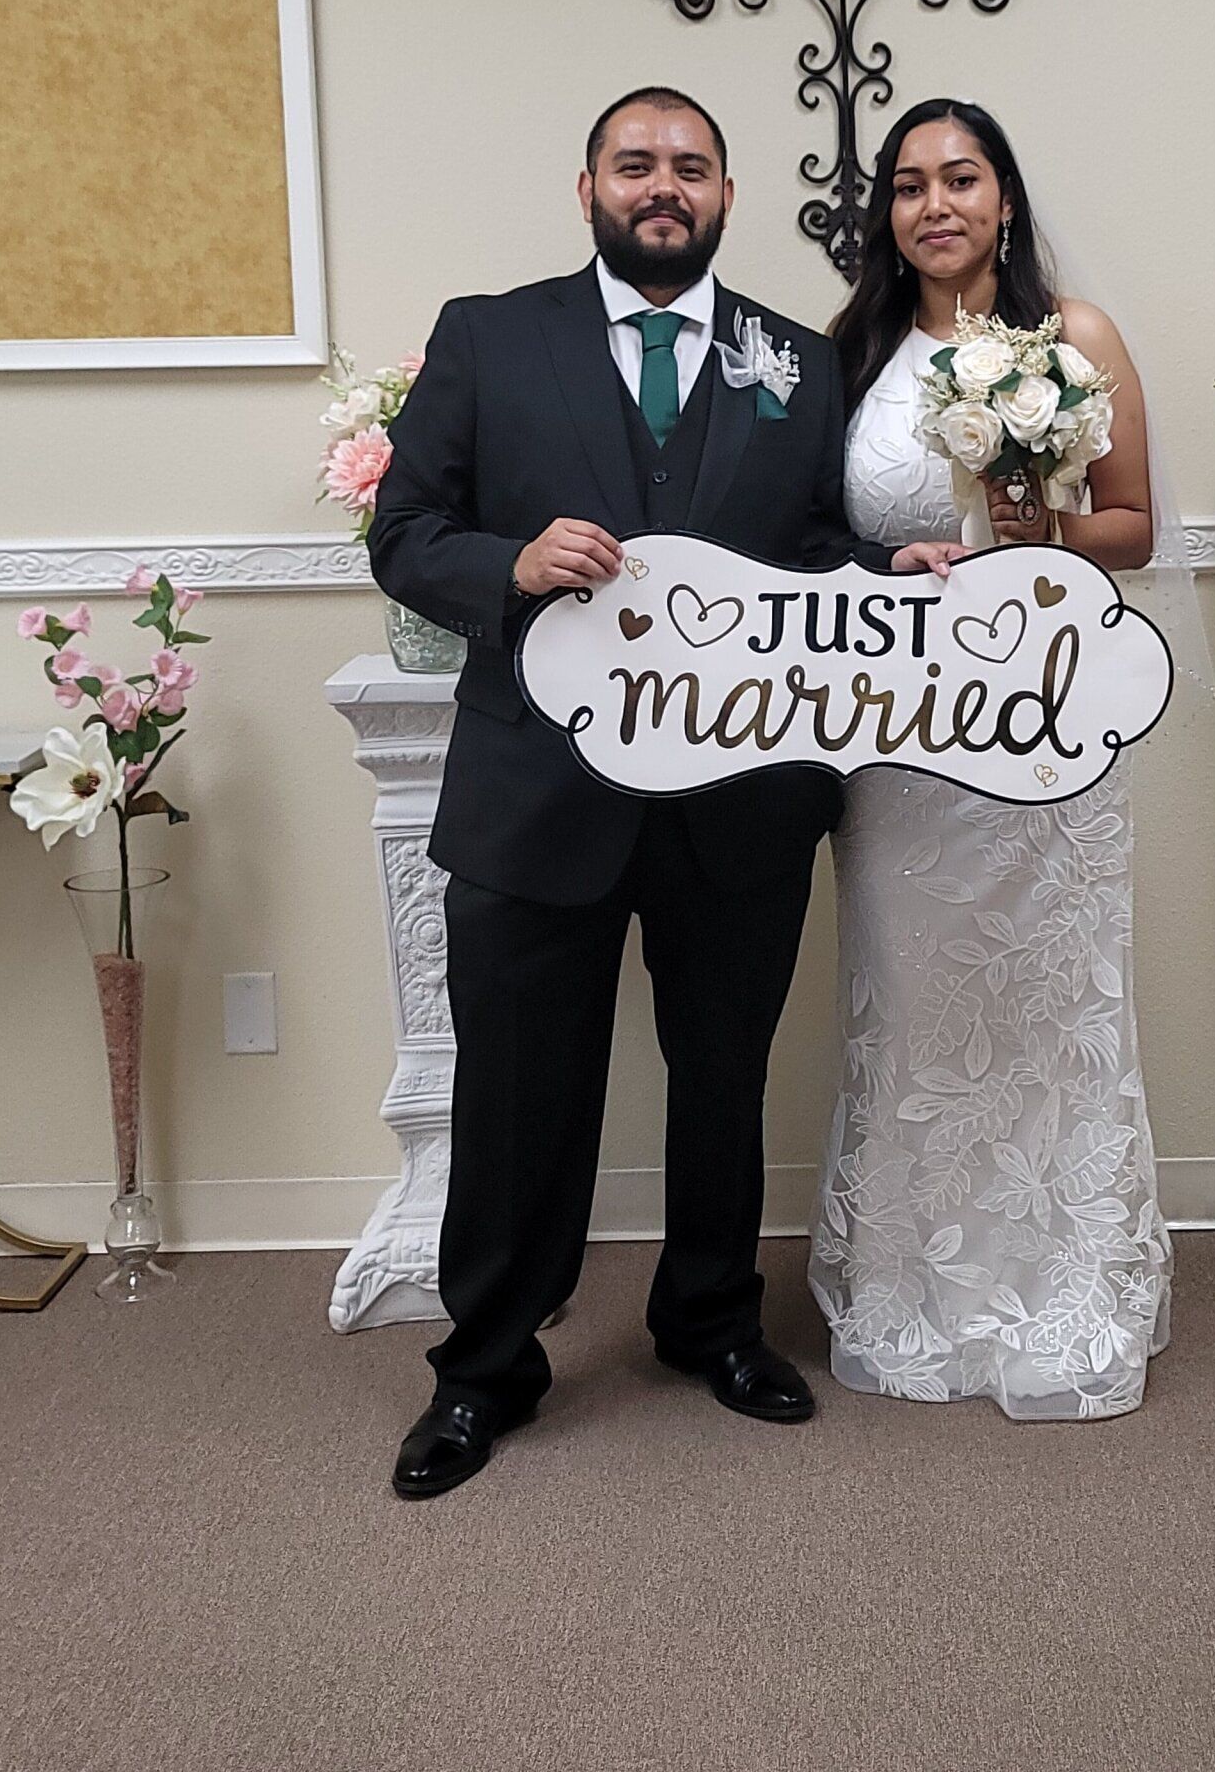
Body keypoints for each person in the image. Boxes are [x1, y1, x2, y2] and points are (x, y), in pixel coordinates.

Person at [369, 87, 963, 1500]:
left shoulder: (795, 358)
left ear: (725, 197)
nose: (662, 187)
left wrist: (884, 574)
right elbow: (405, 532)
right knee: (517, 1092)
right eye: (635, 164)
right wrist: (511, 567)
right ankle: (485, 1367)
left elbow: (810, 549)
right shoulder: (487, 335)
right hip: (537, 789)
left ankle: (711, 1322)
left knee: (722, 1077)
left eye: (690, 167)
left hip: (741, 792)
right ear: (587, 188)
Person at [809, 99, 1173, 1419]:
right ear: (887, 215)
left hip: (1044, 722)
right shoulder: (852, 352)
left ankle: (1067, 1282)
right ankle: (916, 1285)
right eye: (909, 186)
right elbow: (817, 532)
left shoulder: (1075, 338)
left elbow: (1134, 525)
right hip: (901, 744)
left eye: (960, 179)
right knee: (914, 1004)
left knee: (1048, 1002)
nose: (935, 206)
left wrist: (1032, 537)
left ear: (1004, 199)